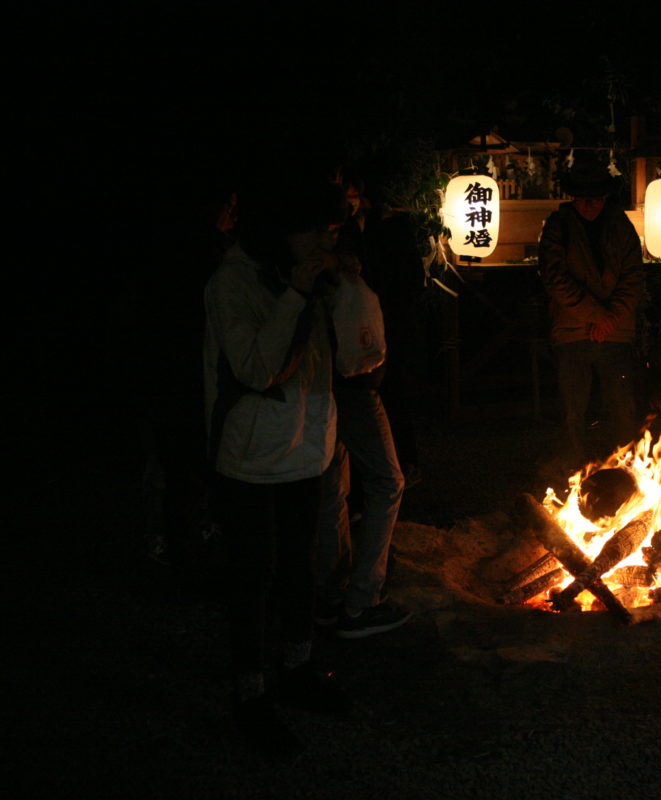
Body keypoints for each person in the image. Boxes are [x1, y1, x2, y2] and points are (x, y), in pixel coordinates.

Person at [203, 172, 347, 755]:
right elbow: (257, 368)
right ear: (279, 230)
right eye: (315, 231)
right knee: (253, 575)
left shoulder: (309, 278)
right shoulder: (234, 281)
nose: (324, 243)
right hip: (251, 455)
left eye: (331, 232)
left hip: (306, 447)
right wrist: (296, 293)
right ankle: (251, 692)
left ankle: (297, 667)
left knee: (299, 566)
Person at [314, 173, 411, 639]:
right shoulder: (319, 255)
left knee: (334, 484)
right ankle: (362, 600)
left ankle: (330, 594)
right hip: (348, 385)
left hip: (327, 384)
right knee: (387, 481)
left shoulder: (327, 251)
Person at [538, 157, 645, 471]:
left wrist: (609, 317)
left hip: (616, 330)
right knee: (573, 408)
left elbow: (633, 276)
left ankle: (628, 470)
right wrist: (596, 315)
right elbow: (554, 276)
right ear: (573, 198)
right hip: (573, 330)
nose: (589, 206)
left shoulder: (620, 226)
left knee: (624, 407)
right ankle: (573, 472)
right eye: (583, 199)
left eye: (596, 199)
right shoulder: (558, 226)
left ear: (605, 198)